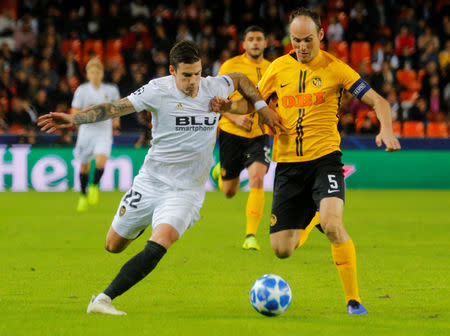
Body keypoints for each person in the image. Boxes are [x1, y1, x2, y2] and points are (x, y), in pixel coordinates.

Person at [38, 40, 285, 316]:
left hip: (187, 191)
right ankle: (144, 221)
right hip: (151, 181)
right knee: (113, 245)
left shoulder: (213, 87)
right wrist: (74, 120)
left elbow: (240, 79)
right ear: (172, 71)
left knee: (162, 240)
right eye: (186, 75)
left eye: (197, 73)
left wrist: (260, 107)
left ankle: (104, 299)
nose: (194, 82)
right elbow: (115, 108)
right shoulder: (157, 90)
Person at [212, 7, 401, 315]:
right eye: (295, 40)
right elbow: (254, 101)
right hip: (287, 165)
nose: (301, 47)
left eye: (308, 40)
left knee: (333, 224)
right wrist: (230, 107)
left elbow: (378, 100)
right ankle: (312, 216)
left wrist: (387, 130)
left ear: (321, 35)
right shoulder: (278, 68)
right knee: (282, 250)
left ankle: (353, 301)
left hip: (325, 160)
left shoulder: (336, 68)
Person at [211, 25, 271, 251]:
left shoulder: (272, 68)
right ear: (243, 44)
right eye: (251, 39)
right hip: (231, 133)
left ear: (265, 43)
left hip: (259, 134)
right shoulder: (231, 66)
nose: (255, 43)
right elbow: (215, 101)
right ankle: (220, 169)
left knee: (257, 179)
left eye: (259, 39)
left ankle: (250, 236)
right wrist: (236, 119)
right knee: (229, 192)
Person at [71, 58, 121, 212]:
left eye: (97, 72)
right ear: (87, 74)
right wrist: (86, 112)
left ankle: (94, 186)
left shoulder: (111, 90)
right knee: (84, 166)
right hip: (86, 132)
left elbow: (118, 107)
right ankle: (83, 194)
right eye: (92, 72)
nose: (95, 75)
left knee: (101, 162)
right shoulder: (82, 90)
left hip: (103, 132)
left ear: (102, 73)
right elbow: (74, 110)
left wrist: (116, 120)